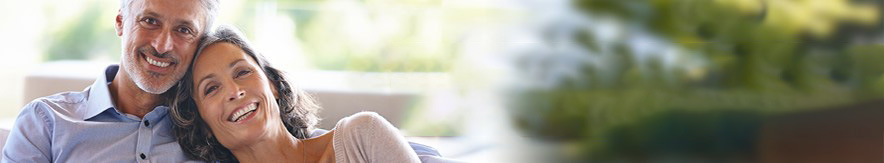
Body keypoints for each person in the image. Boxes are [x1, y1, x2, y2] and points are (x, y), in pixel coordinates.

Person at [2, 0, 218, 162]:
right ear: (120, 22)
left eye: (183, 30)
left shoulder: (213, 130)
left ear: (200, 44)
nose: (162, 46)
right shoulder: (43, 124)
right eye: (150, 21)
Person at [170, 26, 422, 163]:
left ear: (273, 84)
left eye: (242, 72)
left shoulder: (362, 136)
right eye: (211, 89)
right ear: (201, 125)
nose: (235, 91)